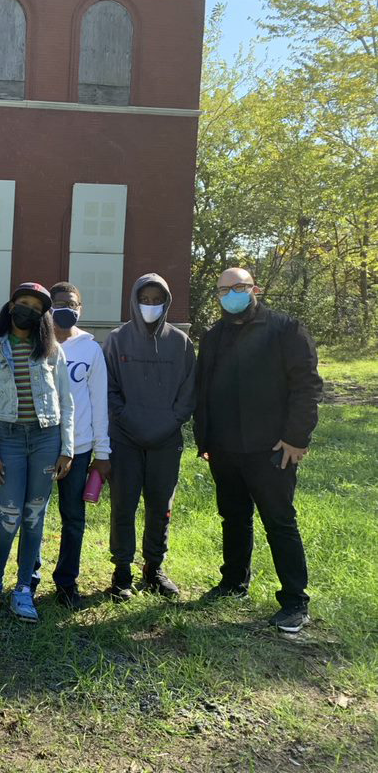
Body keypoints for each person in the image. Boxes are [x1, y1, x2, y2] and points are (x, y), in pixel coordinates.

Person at [194, 268, 322, 633]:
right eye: (223, 290)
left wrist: (297, 437)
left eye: (239, 287)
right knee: (233, 518)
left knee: (279, 522)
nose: (231, 294)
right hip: (224, 449)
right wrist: (206, 440)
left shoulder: (285, 328)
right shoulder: (214, 336)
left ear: (255, 290)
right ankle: (234, 581)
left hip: (272, 448)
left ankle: (295, 601)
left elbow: (307, 385)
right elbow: (204, 389)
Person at [0, 283, 74, 623]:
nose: (28, 310)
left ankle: (23, 589)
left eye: (36, 306)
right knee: (10, 515)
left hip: (46, 439)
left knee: (34, 517)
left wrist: (67, 449)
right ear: (12, 305)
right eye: (23, 303)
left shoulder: (51, 350)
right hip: (8, 439)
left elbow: (67, 403)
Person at [103, 273, 196, 602]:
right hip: (125, 439)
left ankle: (154, 568)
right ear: (134, 300)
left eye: (159, 300)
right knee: (123, 506)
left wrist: (172, 421)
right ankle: (122, 571)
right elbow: (109, 389)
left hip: (166, 439)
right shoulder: (116, 339)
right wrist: (126, 419)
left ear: (167, 303)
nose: (152, 305)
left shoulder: (181, 342)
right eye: (146, 299)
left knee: (160, 507)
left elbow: (189, 390)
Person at [43, 282, 111, 609]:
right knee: (33, 515)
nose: (65, 308)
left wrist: (103, 453)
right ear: (48, 308)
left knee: (73, 516)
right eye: (58, 303)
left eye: (71, 303)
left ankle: (66, 582)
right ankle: (27, 578)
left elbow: (99, 404)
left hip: (79, 449)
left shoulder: (91, 350)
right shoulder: (35, 345)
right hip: (40, 445)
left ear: (80, 309)